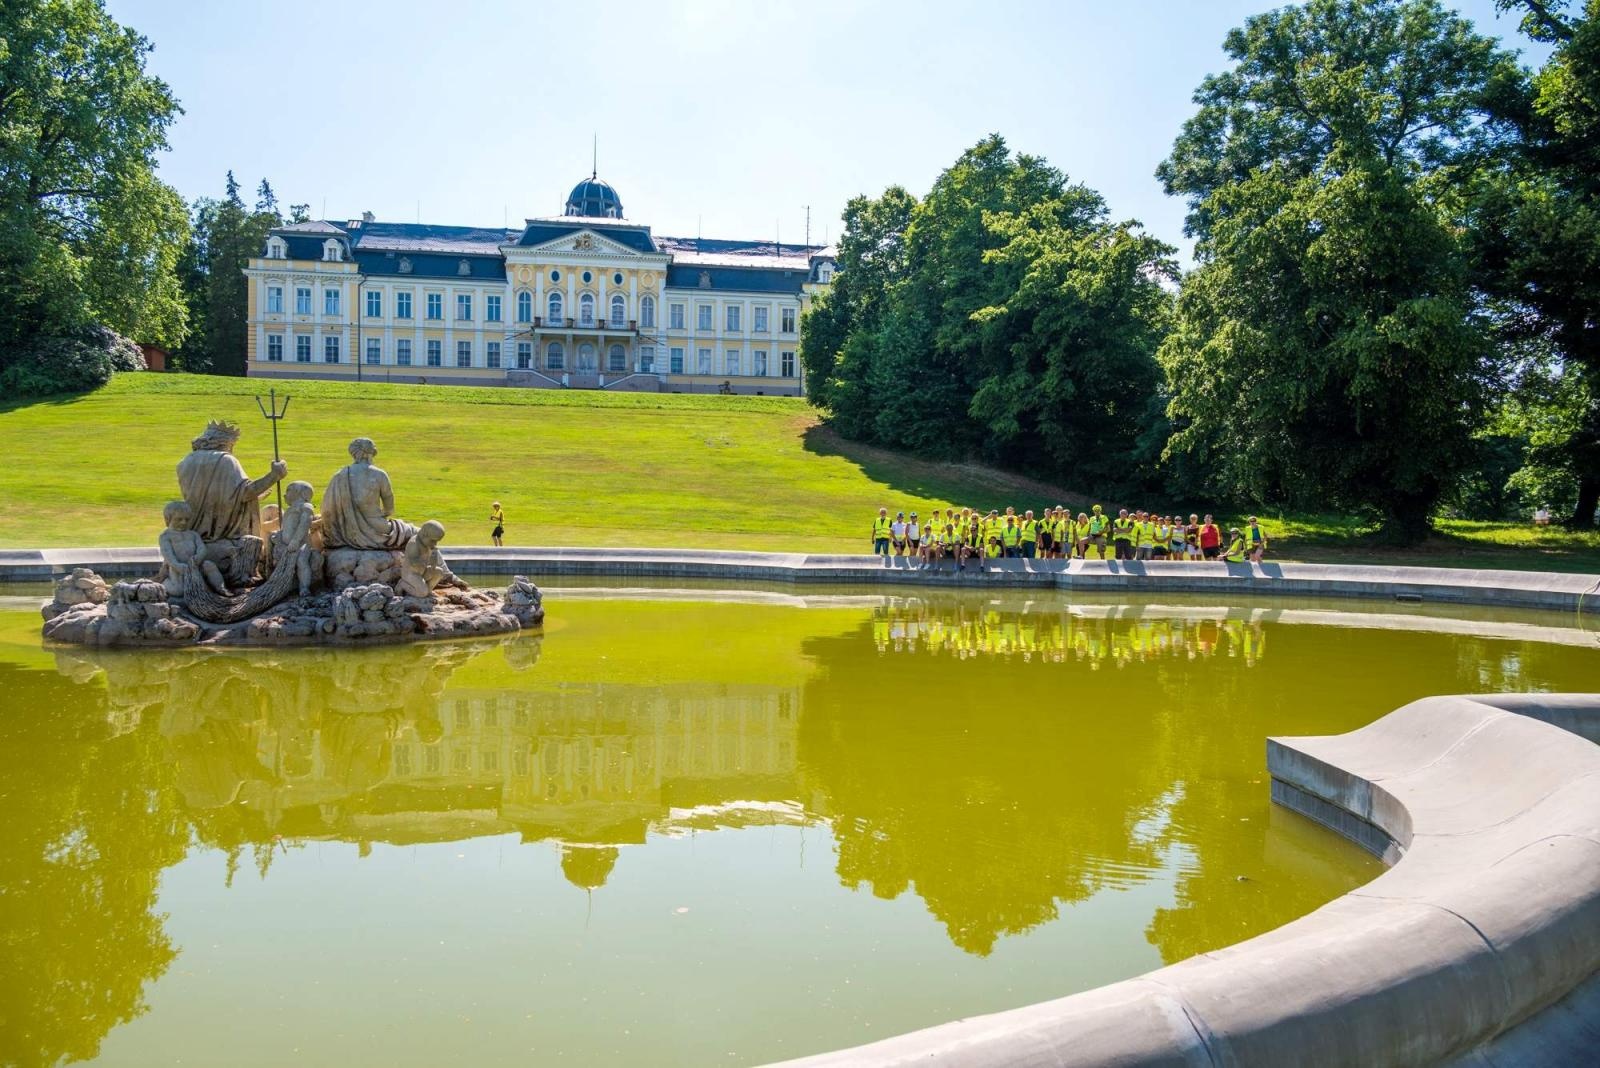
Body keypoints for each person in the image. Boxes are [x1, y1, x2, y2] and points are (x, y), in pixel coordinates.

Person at [321, 437, 417, 550]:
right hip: (377, 526)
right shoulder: (379, 475)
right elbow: (389, 509)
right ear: (370, 454)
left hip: (346, 530)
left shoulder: (339, 476)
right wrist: (380, 515)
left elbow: (327, 510)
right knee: (417, 532)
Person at [159, 500, 230, 598]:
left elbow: (202, 548)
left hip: (196, 565)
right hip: (178, 569)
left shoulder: (193, 534)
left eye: (187, 519)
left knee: (209, 565)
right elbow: (168, 555)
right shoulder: (166, 536)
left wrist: (198, 558)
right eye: (179, 519)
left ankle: (220, 587)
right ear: (168, 519)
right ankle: (164, 584)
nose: (183, 522)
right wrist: (177, 565)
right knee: (178, 591)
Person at [274, 480, 322, 597]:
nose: (285, 494)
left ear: (303, 493)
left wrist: (295, 541)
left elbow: (304, 524)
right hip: (285, 545)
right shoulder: (289, 510)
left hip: (301, 543)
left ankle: (304, 587)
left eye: (289, 490)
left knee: (301, 561)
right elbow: (287, 527)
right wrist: (279, 536)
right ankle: (285, 586)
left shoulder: (306, 506)